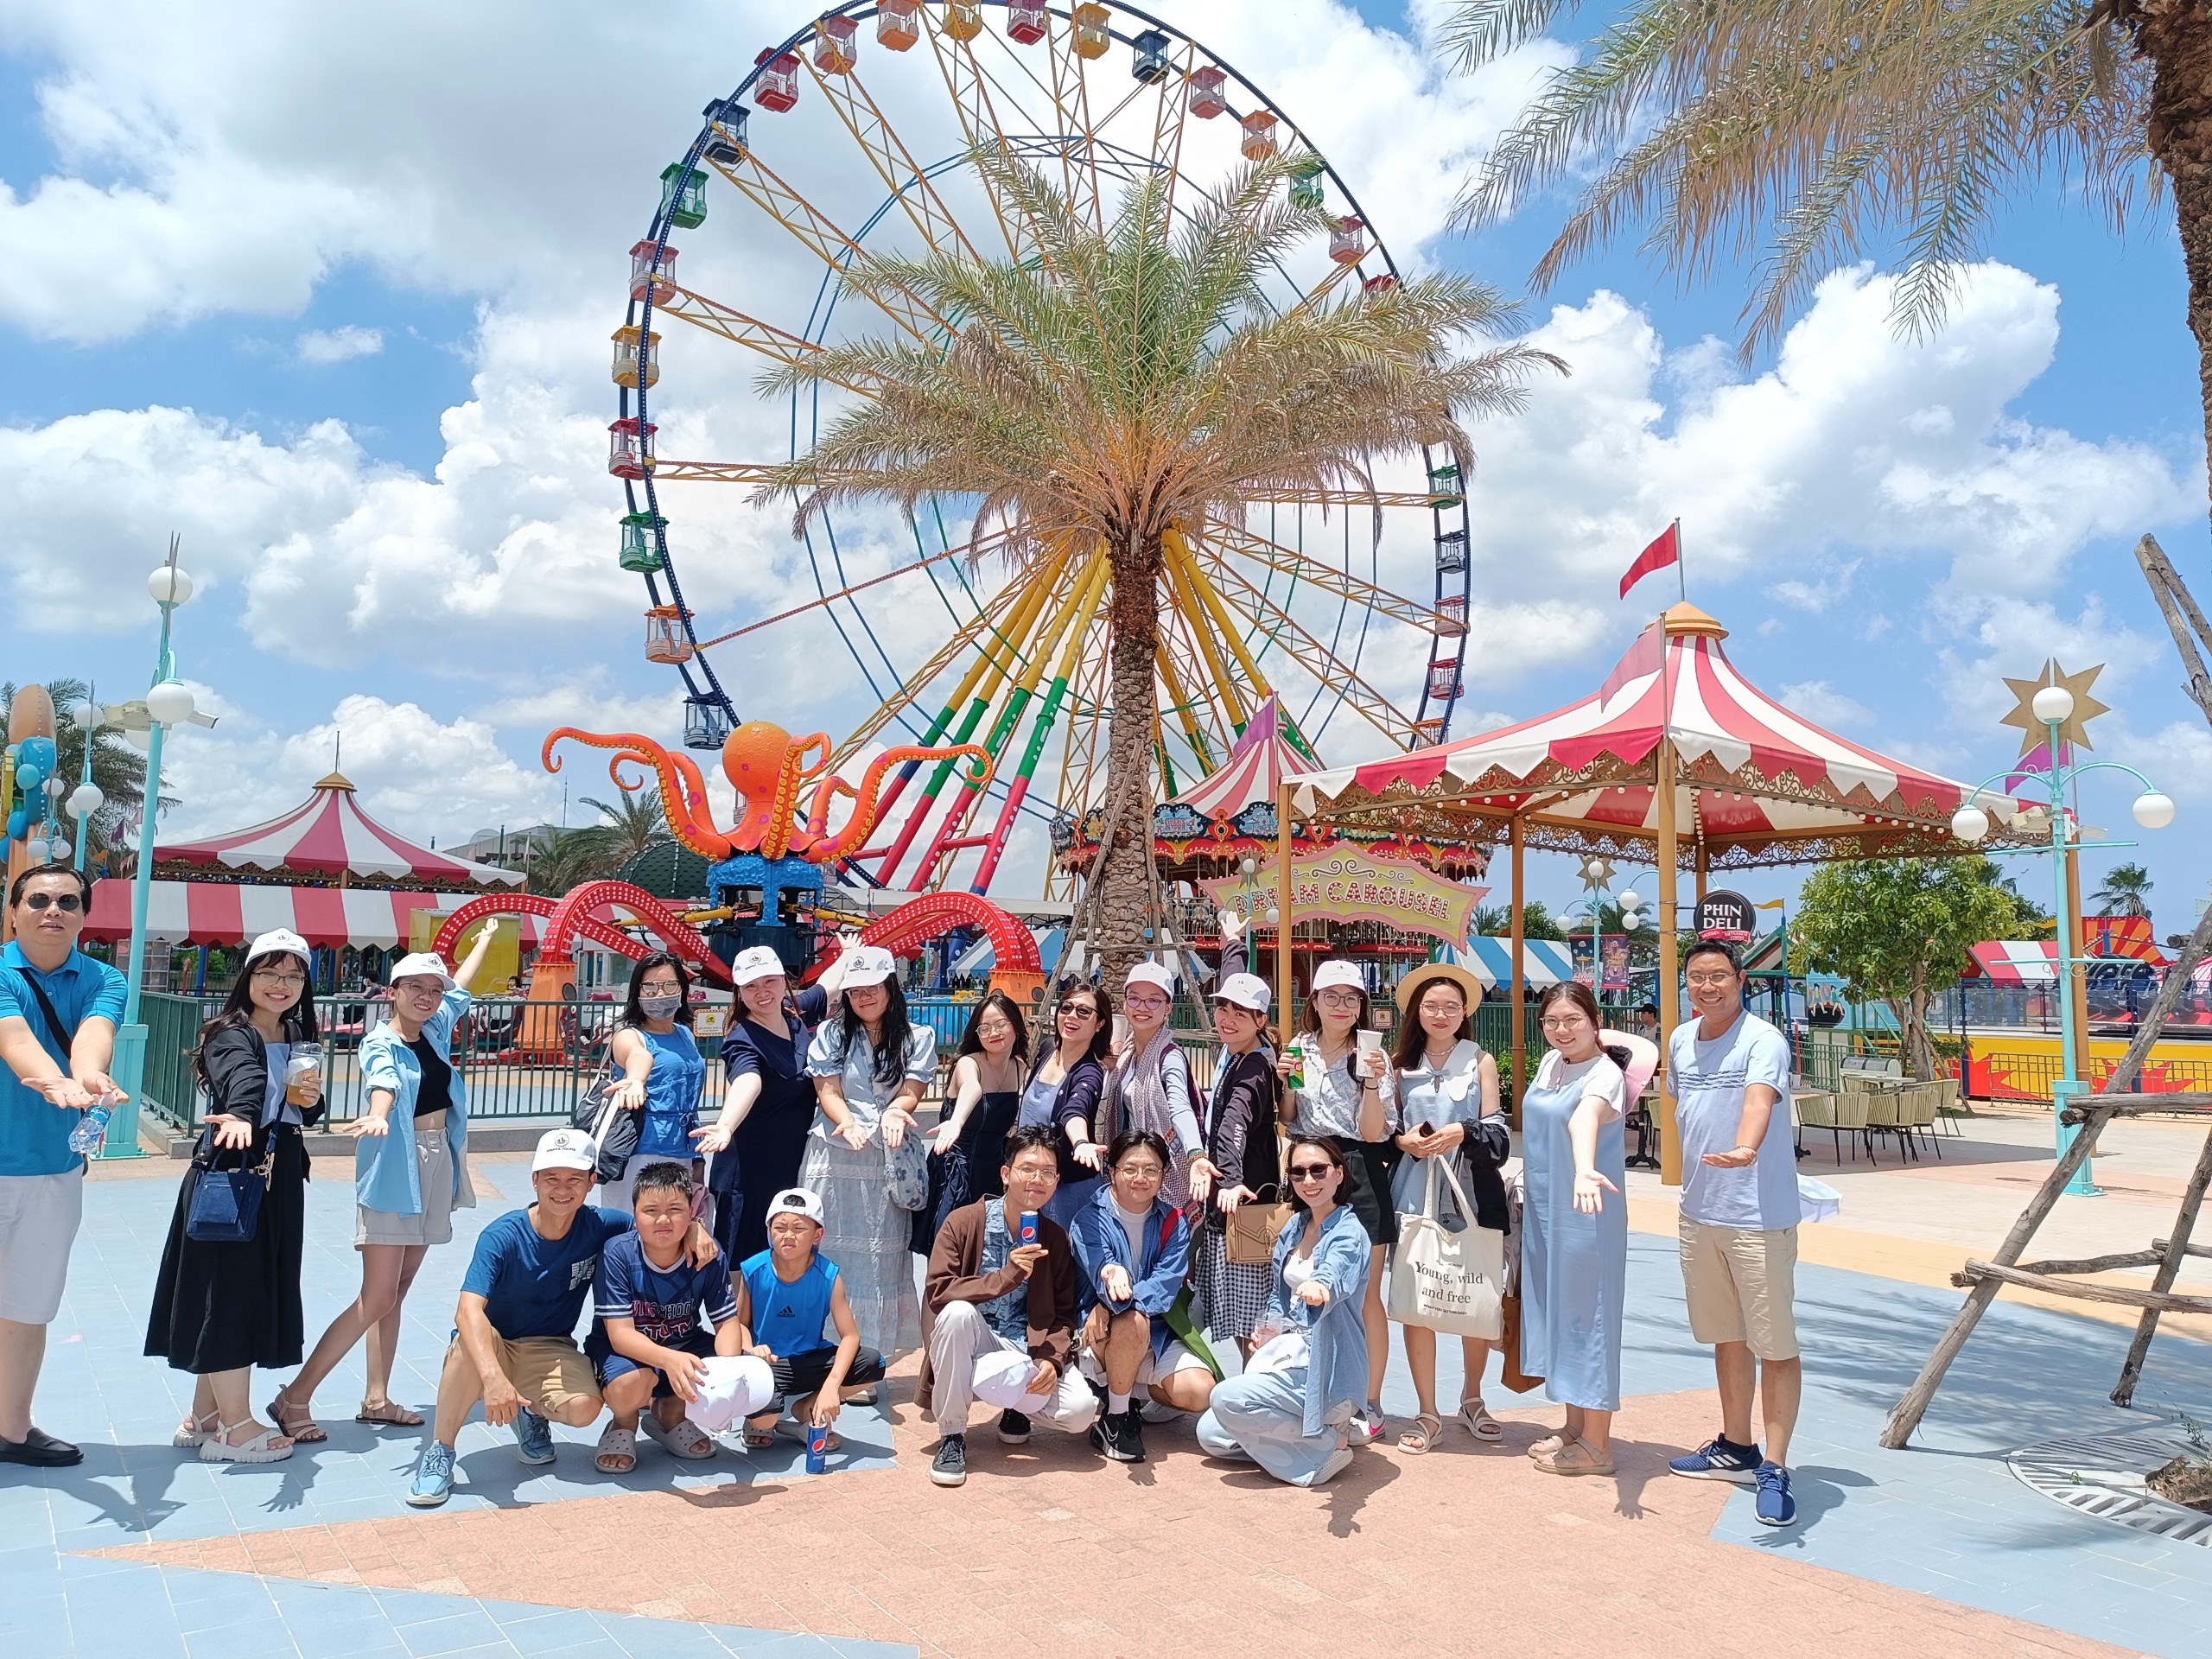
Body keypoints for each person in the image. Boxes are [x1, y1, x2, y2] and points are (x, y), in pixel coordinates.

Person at [405, 1127, 715, 1507]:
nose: (562, 1189)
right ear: (535, 1179)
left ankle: (529, 1411)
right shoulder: (502, 1236)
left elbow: (657, 1222)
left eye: (574, 1179)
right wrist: (493, 1378)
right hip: (493, 1341)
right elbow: (467, 1310)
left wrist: (696, 1227)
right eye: (552, 1178)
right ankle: (440, 1452)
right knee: (470, 1342)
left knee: (585, 1409)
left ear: (592, 1182)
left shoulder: (602, 1225)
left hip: (550, 1345)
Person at [277, 928, 500, 1440]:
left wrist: (485, 940)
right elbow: (385, 1080)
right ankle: (296, 1396)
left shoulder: (435, 1026)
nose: (427, 997)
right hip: (397, 1165)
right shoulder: (381, 1042)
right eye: (415, 987)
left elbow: (463, 986)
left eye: (434, 989)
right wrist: (379, 1113)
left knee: (397, 1292)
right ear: (393, 992)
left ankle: (376, 1398)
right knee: (376, 1296)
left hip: (437, 1161)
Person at [146, 929, 323, 1462]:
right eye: (269, 972)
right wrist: (243, 1115)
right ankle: (235, 1428)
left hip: (277, 1173)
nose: (280, 985)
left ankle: (204, 1416)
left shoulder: (296, 1033)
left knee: (245, 1287)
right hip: (234, 1170)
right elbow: (243, 1081)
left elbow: (304, 1107)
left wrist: (310, 1099)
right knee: (230, 1291)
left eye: (293, 976)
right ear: (248, 976)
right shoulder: (229, 1034)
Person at [1665, 939, 1802, 1526]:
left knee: (1774, 1344)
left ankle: (1775, 1464)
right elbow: (1683, 1107)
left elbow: (1757, 1101)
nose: (1707, 986)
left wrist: (1747, 1147)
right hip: (1700, 1213)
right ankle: (1736, 1445)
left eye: (1718, 975)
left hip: (1756, 1217)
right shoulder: (1680, 1039)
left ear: (1740, 979)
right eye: (1697, 976)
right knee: (1727, 1336)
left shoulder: (1762, 1039)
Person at [0, 866, 126, 1468]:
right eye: (40, 899)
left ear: (83, 915)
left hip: (52, 1169)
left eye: (68, 902)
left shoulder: (105, 978)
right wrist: (54, 1082)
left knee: (29, 1305)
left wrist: (88, 1077)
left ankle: (12, 1429)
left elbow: (92, 1036)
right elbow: (15, 1038)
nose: (54, 910)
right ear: (14, 910)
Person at [918, 1125, 1098, 1487]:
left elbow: (1064, 1314)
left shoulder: (1055, 1238)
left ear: (1057, 1181)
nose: (1037, 1180)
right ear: (1005, 1174)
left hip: (1024, 1349)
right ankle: (952, 1435)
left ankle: (1016, 1405)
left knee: (1080, 1411)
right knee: (956, 1313)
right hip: (974, 1342)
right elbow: (939, 1291)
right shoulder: (964, 1222)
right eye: (1027, 1169)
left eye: (1047, 1172)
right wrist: (1007, 1276)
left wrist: (1052, 1360)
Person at [1519, 982, 1648, 1478]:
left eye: (1573, 1019)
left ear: (1596, 1023)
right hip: (1546, 1212)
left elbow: (1584, 1120)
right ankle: (1575, 1425)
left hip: (1586, 1212)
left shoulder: (1604, 1074)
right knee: (1559, 1314)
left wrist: (1585, 1169)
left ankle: (1598, 1444)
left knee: (1588, 1317)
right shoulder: (1553, 1063)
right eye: (1551, 1021)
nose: (1561, 1029)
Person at [1195, 1135, 1370, 1488]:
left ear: (1338, 1174)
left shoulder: (1349, 1232)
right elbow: (1279, 1294)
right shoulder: (1296, 1225)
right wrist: (1270, 1329)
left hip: (1325, 1373)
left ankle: (1326, 1442)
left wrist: (1321, 1288)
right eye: (1298, 1172)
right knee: (1211, 1433)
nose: (1308, 1180)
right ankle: (1312, 1440)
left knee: (1225, 1399)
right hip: (1288, 1359)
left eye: (1318, 1170)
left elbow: (1336, 1270)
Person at [1385, 963, 1508, 1454]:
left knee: (1474, 1292)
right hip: (1414, 1193)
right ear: (1416, 1011)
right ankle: (1427, 1410)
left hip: (1470, 1193)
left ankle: (1472, 1397)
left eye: (1451, 1007)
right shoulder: (1397, 1065)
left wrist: (1463, 1132)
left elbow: (1497, 1131)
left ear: (1464, 1012)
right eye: (1431, 1006)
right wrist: (1404, 1142)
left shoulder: (1480, 1060)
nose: (1441, 1014)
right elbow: (1385, 1131)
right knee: (1418, 1301)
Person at [1274, 957, 1395, 1442]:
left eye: (1351, 998)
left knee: (1365, 1295)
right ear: (1316, 1001)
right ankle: (1315, 1391)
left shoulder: (1370, 1054)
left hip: (1359, 1167)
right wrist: (1285, 1081)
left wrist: (1372, 1081)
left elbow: (1373, 1131)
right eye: (1332, 997)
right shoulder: (1299, 1047)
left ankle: (1370, 1400)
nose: (1341, 1006)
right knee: (1306, 1279)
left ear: (1361, 1005)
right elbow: (1289, 1116)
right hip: (1309, 1166)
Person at [799, 945, 932, 1369]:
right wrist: (847, 1122)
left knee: (879, 1260)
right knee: (828, 1249)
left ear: (890, 986)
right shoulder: (831, 1034)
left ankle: (866, 1359)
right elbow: (827, 1089)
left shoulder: (916, 1037)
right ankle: (821, 1351)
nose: (864, 997)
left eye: (872, 987)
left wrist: (894, 1111)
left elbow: (912, 1090)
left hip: (885, 1160)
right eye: (855, 991)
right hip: (837, 1153)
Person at [586, 1160, 741, 1472]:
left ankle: (669, 1416)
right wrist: (670, 1360)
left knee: (737, 1370)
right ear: (634, 1213)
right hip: (626, 1351)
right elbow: (621, 1335)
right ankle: (624, 1423)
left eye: (675, 1209)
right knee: (631, 1382)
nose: (663, 1219)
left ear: (691, 1211)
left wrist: (727, 1372)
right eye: (651, 1210)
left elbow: (726, 1322)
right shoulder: (618, 1253)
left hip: (684, 1343)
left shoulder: (708, 1254)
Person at [1068, 1130, 1212, 1464]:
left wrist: (1110, 1306)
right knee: (1132, 1319)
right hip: (1101, 1334)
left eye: (1151, 1170)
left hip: (1155, 1333)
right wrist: (1110, 1290)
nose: (1140, 1178)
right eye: (1130, 1169)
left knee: (1201, 1392)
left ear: (1163, 1174)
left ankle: (1119, 1389)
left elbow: (1165, 1285)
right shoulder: (1089, 1219)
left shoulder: (1174, 1221)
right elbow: (1101, 1270)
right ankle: (1116, 1418)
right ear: (1112, 1171)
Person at [701, 944, 847, 1263]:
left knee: (783, 1260)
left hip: (787, 1167)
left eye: (769, 981)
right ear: (740, 993)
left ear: (784, 981)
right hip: (747, 1174)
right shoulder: (742, 1039)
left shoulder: (793, 1014)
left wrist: (848, 954)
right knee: (743, 1265)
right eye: (751, 986)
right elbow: (748, 1081)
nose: (762, 992)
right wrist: (725, 1126)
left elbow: (828, 987)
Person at [732, 1187, 886, 1451]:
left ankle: (809, 1409)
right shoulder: (754, 1270)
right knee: (763, 1420)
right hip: (769, 1364)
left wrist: (831, 1386)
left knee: (873, 1364)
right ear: (769, 1231)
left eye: (799, 1228)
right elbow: (739, 1324)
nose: (788, 1235)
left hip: (811, 1358)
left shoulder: (828, 1275)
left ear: (817, 1235)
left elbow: (851, 1336)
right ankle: (762, 1417)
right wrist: (750, 1349)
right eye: (780, 1227)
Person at [1193, 925, 1281, 1360]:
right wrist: (1232, 944)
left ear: (1260, 1020)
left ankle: (1257, 1391)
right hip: (1231, 1202)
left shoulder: (1254, 1068)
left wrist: (1229, 1180)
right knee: (1236, 1313)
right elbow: (1234, 977)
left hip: (1245, 1204)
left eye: (1240, 1013)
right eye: (1222, 1008)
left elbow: (1234, 1122)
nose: (1226, 1018)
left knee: (1250, 1320)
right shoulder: (1238, 1048)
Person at [596, 953, 708, 1217]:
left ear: (682, 989)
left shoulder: (685, 1033)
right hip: (638, 1150)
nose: (659, 994)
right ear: (637, 992)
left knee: (674, 1227)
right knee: (632, 1224)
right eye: (649, 987)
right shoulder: (628, 1035)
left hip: (683, 1148)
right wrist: (636, 1080)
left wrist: (698, 1158)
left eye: (669, 985)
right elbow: (639, 1056)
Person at [917, 991, 1029, 1251]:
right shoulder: (969, 1063)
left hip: (995, 1171)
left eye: (1000, 1024)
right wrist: (956, 1122)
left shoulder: (1021, 1068)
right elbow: (972, 1088)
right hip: (958, 1172)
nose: (993, 1032)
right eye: (984, 1028)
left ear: (1015, 1024)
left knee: (987, 1253)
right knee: (950, 1250)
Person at [1098, 963, 1211, 1211]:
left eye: (1153, 1001)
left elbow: (1180, 1107)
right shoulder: (1127, 1055)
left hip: (1165, 1173)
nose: (1142, 1007)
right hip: (1133, 1169)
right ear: (1125, 1003)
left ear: (1168, 1007)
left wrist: (1195, 1154)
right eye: (1134, 998)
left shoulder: (1169, 1057)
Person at [1032, 983, 1112, 1230]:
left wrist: (1080, 1142)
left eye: (1084, 1012)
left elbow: (1075, 1109)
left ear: (1099, 1024)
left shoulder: (1089, 1073)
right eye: (1066, 1008)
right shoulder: (1047, 1048)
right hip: (1033, 1181)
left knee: (1063, 1252)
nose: (1072, 1016)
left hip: (1067, 1190)